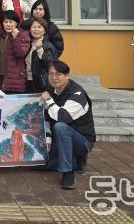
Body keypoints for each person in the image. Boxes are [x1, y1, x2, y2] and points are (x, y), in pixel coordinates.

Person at [40, 60, 96, 190]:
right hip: (60, 139)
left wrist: (48, 100)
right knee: (38, 165)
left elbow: (62, 117)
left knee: (60, 126)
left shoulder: (77, 94)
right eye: (51, 74)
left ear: (67, 76)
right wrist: (48, 138)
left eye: (58, 74)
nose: (54, 78)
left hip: (82, 141)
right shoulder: (51, 90)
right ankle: (75, 162)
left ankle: (67, 171)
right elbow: (47, 117)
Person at [0, 10, 31, 93]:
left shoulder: (23, 35)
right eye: (5, 22)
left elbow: (21, 53)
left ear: (16, 23)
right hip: (0, 78)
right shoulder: (0, 36)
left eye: (11, 22)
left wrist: (15, 38)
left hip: (15, 81)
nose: (8, 24)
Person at [25, 17, 58, 93]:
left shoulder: (48, 46)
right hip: (27, 82)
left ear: (44, 30)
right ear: (30, 29)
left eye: (39, 27)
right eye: (34, 27)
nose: (36, 29)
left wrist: (40, 49)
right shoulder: (27, 44)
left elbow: (50, 65)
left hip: (42, 84)